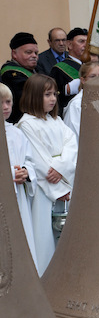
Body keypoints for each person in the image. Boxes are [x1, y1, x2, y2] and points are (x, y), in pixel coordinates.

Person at [17, 74, 78, 275]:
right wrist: (59, 189)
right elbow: (38, 160)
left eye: (54, 94)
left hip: (63, 182)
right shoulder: (27, 124)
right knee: (43, 236)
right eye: (47, 94)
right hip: (44, 190)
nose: (53, 99)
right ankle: (44, 275)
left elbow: (72, 146)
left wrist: (61, 168)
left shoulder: (57, 121)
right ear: (34, 96)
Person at [1, 83, 38, 271]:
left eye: (8, 102)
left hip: (18, 199)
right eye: (1, 103)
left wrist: (26, 172)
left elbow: (29, 160)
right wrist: (8, 173)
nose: (6, 107)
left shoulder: (17, 133)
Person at [2, 32, 40, 123]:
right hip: (20, 122)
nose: (34, 56)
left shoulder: (37, 70)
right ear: (14, 53)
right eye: (29, 52)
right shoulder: (10, 73)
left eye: (36, 53)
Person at [51, 27, 88, 116]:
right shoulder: (59, 70)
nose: (86, 45)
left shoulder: (91, 66)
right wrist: (66, 90)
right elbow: (56, 98)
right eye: (81, 41)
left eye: (88, 42)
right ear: (69, 44)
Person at [63, 62, 99, 141]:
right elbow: (72, 136)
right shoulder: (77, 104)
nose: (98, 80)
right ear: (83, 80)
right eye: (92, 76)